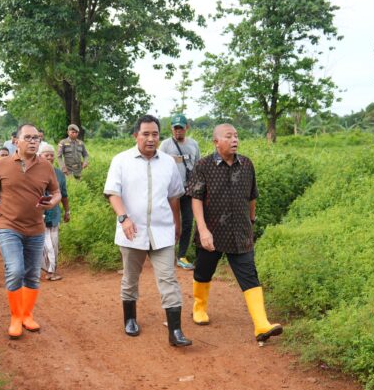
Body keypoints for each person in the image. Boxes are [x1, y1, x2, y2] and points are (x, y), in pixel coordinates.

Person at [188, 123, 282, 344]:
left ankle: (261, 325)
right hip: (212, 231)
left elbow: (252, 196)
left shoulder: (247, 164)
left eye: (236, 136)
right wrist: (202, 230)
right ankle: (199, 307)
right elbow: (196, 198)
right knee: (203, 271)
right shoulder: (204, 166)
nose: (234, 140)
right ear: (216, 142)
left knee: (249, 275)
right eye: (228, 136)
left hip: (240, 231)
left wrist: (251, 221)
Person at [103, 115, 192, 347]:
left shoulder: (168, 162)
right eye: (146, 134)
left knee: (168, 279)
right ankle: (130, 318)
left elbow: (174, 196)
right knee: (131, 278)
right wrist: (123, 218)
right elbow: (113, 193)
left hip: (162, 230)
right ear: (136, 136)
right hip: (132, 231)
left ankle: (175, 332)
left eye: (155, 134)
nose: (151, 139)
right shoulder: (121, 160)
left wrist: (177, 223)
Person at [0, 124, 61, 340]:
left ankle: (27, 314)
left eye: (37, 138)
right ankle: (15, 317)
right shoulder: (2, 165)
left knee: (33, 274)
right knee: (15, 270)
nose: (33, 141)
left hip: (35, 228)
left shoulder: (46, 166)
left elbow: (56, 192)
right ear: (16, 140)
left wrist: (52, 202)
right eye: (28, 137)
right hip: (9, 227)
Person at [159, 113, 202, 270]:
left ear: (187, 128)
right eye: (175, 129)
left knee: (187, 222)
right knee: (169, 222)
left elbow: (198, 167)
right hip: (170, 193)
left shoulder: (193, 145)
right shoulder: (165, 145)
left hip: (188, 191)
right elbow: (159, 167)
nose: (178, 132)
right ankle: (165, 254)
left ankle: (181, 256)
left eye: (181, 129)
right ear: (171, 129)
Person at [38, 145, 70, 281]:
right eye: (47, 155)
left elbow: (64, 195)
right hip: (37, 214)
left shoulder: (59, 174)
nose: (50, 157)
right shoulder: (33, 172)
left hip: (54, 213)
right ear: (40, 156)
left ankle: (50, 269)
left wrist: (67, 211)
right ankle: (49, 270)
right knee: (45, 243)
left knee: (53, 242)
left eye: (51, 155)